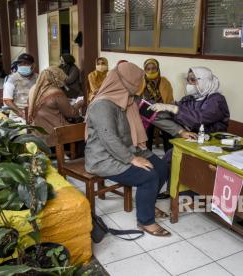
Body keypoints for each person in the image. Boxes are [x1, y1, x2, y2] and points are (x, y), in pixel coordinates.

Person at [85, 62, 171, 237]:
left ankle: (147, 204)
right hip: (103, 158)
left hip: (126, 150)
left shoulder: (129, 99)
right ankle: (145, 221)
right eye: (138, 79)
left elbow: (155, 114)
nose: (141, 83)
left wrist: (181, 131)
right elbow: (109, 138)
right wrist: (132, 159)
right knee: (148, 175)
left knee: (162, 168)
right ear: (127, 81)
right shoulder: (102, 105)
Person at [149, 66, 230, 199]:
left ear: (204, 80)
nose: (189, 84)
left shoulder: (216, 99)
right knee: (169, 157)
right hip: (193, 141)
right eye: (188, 80)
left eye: (193, 80)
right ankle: (165, 191)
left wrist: (174, 109)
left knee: (171, 156)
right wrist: (162, 108)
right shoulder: (191, 98)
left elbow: (199, 118)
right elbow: (179, 110)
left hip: (213, 144)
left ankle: (172, 191)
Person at [28, 67, 85, 147]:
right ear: (56, 77)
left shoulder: (33, 89)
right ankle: (75, 156)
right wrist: (79, 104)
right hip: (55, 137)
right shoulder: (55, 92)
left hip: (37, 136)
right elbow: (71, 113)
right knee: (85, 130)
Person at [138, 58, 175, 152]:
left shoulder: (164, 81)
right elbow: (137, 97)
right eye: (148, 68)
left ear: (157, 69)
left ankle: (168, 157)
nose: (151, 71)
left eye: (153, 68)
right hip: (147, 111)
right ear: (144, 70)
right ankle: (148, 156)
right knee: (146, 133)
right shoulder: (140, 81)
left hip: (162, 110)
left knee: (168, 133)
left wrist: (166, 109)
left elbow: (170, 99)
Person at [3, 53, 37, 123]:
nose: (23, 66)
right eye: (20, 64)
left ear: (33, 65)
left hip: (36, 114)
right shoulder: (11, 79)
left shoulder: (38, 78)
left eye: (26, 64)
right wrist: (21, 113)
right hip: (18, 116)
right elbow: (7, 100)